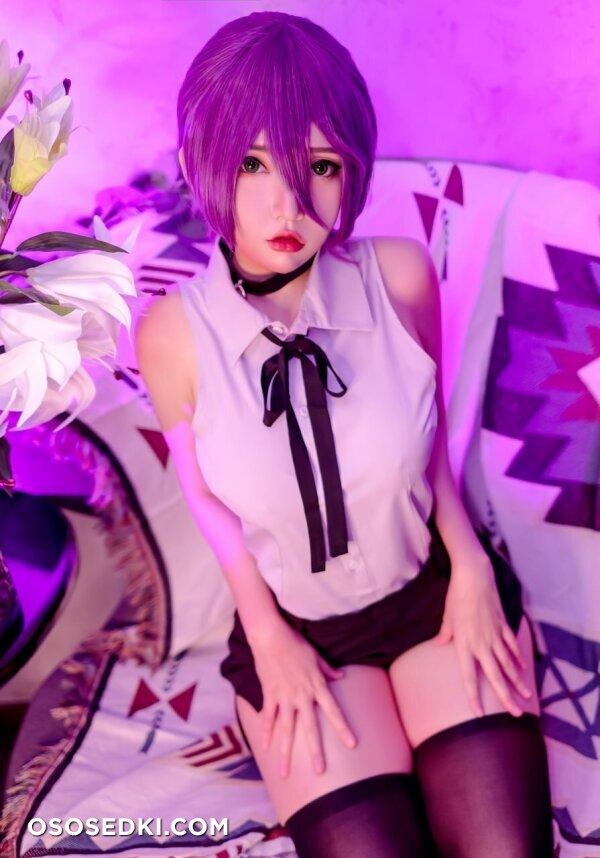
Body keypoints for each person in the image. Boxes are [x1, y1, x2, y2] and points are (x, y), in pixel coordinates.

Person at [135, 11, 554, 857]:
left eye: (320, 166)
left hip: (432, 594)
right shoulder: (172, 336)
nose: (288, 203)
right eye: (252, 164)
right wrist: (267, 635)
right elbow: (203, 494)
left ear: (351, 168)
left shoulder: (399, 275)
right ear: (197, 163)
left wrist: (471, 568)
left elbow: (429, 441)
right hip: (305, 630)